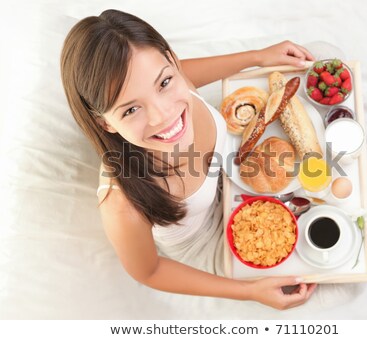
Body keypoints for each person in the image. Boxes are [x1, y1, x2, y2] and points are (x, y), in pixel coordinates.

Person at [60, 9, 317, 310]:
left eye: (164, 82)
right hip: (209, 239)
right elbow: (149, 270)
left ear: (173, 61)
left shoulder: (177, 83)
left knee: (318, 58)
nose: (163, 115)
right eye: (131, 110)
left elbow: (186, 74)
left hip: (239, 177)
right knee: (327, 288)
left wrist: (258, 57)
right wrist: (248, 291)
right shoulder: (123, 206)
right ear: (105, 123)